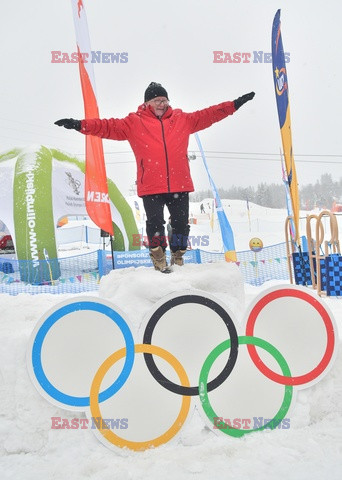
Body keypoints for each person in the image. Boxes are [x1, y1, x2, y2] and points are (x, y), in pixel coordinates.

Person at [55, 82, 255, 272]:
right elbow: (106, 126)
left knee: (181, 224)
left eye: (165, 100)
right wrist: (79, 124)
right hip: (151, 185)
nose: (162, 104)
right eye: (157, 100)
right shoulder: (134, 122)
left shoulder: (182, 119)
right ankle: (159, 258)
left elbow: (209, 115)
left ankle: (177, 256)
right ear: (147, 103)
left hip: (180, 183)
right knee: (155, 224)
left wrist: (234, 104)